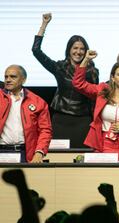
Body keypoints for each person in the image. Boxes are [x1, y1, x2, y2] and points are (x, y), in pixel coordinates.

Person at [32, 13, 99, 148]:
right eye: (75, 48)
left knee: (81, 160)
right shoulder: (60, 67)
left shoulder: (92, 71)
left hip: (83, 121)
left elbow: (94, 97)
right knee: (59, 160)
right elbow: (36, 50)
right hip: (60, 120)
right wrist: (44, 25)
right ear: (69, 50)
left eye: (82, 49)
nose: (78, 52)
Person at [72, 50, 119, 162]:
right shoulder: (102, 91)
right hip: (103, 143)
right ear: (113, 77)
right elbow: (78, 84)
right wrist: (86, 59)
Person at [0, 65, 52, 163]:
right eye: (6, 77)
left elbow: (45, 130)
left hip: (25, 153)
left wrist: (39, 152)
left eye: (13, 76)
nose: (8, 80)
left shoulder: (38, 102)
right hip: (1, 151)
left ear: (23, 80)